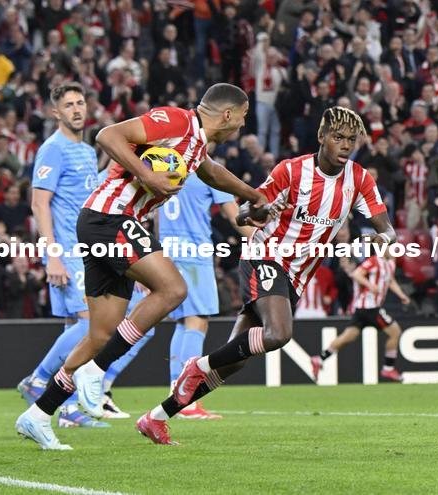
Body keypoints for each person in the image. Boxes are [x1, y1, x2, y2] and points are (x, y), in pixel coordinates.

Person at [15, 83, 272, 450]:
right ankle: (96, 371)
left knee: (100, 335)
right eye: (243, 117)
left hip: (106, 222)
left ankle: (39, 414)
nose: (243, 124)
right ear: (228, 115)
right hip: (110, 217)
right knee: (174, 289)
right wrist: (148, 176)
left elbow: (213, 173)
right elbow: (108, 135)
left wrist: (256, 195)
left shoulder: (196, 144)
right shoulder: (177, 121)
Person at [136, 106, 396, 445]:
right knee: (278, 334)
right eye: (338, 137)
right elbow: (243, 212)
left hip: (297, 275)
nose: (346, 145)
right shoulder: (291, 170)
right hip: (265, 257)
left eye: (351, 139)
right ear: (321, 137)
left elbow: (387, 228)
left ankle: (155, 418)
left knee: (234, 361)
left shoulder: (359, 179)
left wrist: (382, 239)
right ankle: (197, 366)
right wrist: (260, 211)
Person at [14, 82, 112, 429]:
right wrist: (53, 255)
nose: (76, 109)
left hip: (85, 250)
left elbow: (86, 193)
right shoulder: (52, 149)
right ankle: (38, 379)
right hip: (66, 250)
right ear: (55, 112)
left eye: (80, 102)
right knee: (90, 323)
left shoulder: (86, 151)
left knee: (75, 328)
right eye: (68, 105)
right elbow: (39, 203)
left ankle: (67, 409)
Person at [159, 172, 252, 419]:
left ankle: (176, 395)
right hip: (194, 253)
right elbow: (233, 215)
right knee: (197, 321)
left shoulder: (167, 165)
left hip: (167, 252)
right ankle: (185, 399)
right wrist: (263, 241)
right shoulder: (207, 171)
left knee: (183, 322)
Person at [310, 250, 410, 383]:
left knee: (348, 337)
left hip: (363, 310)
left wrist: (401, 295)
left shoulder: (390, 264)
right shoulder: (374, 260)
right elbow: (357, 274)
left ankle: (319, 359)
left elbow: (390, 280)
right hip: (370, 307)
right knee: (395, 332)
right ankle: (388, 368)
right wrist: (370, 285)